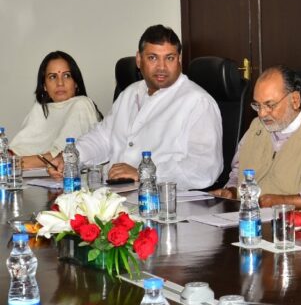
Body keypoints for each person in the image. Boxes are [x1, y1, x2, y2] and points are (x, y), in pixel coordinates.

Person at [49, 25, 223, 190]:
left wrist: (144, 173)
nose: (162, 67)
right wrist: (71, 158)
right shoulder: (130, 93)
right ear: (139, 60)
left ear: (179, 60)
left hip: (164, 201)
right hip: (116, 193)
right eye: (153, 58)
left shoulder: (197, 102)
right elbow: (103, 137)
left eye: (169, 58)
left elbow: (204, 167)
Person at [209, 65, 301, 209]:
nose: (262, 114)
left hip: (294, 224)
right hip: (246, 218)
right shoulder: (257, 127)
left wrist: (283, 201)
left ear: (295, 100)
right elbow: (237, 170)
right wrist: (232, 191)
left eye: (269, 105)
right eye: (257, 105)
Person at [11, 51, 102, 169]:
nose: (60, 83)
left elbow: (64, 158)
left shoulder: (82, 105)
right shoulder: (40, 109)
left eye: (66, 75)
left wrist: (16, 163)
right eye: (53, 77)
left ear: (76, 83)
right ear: (44, 85)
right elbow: (15, 151)